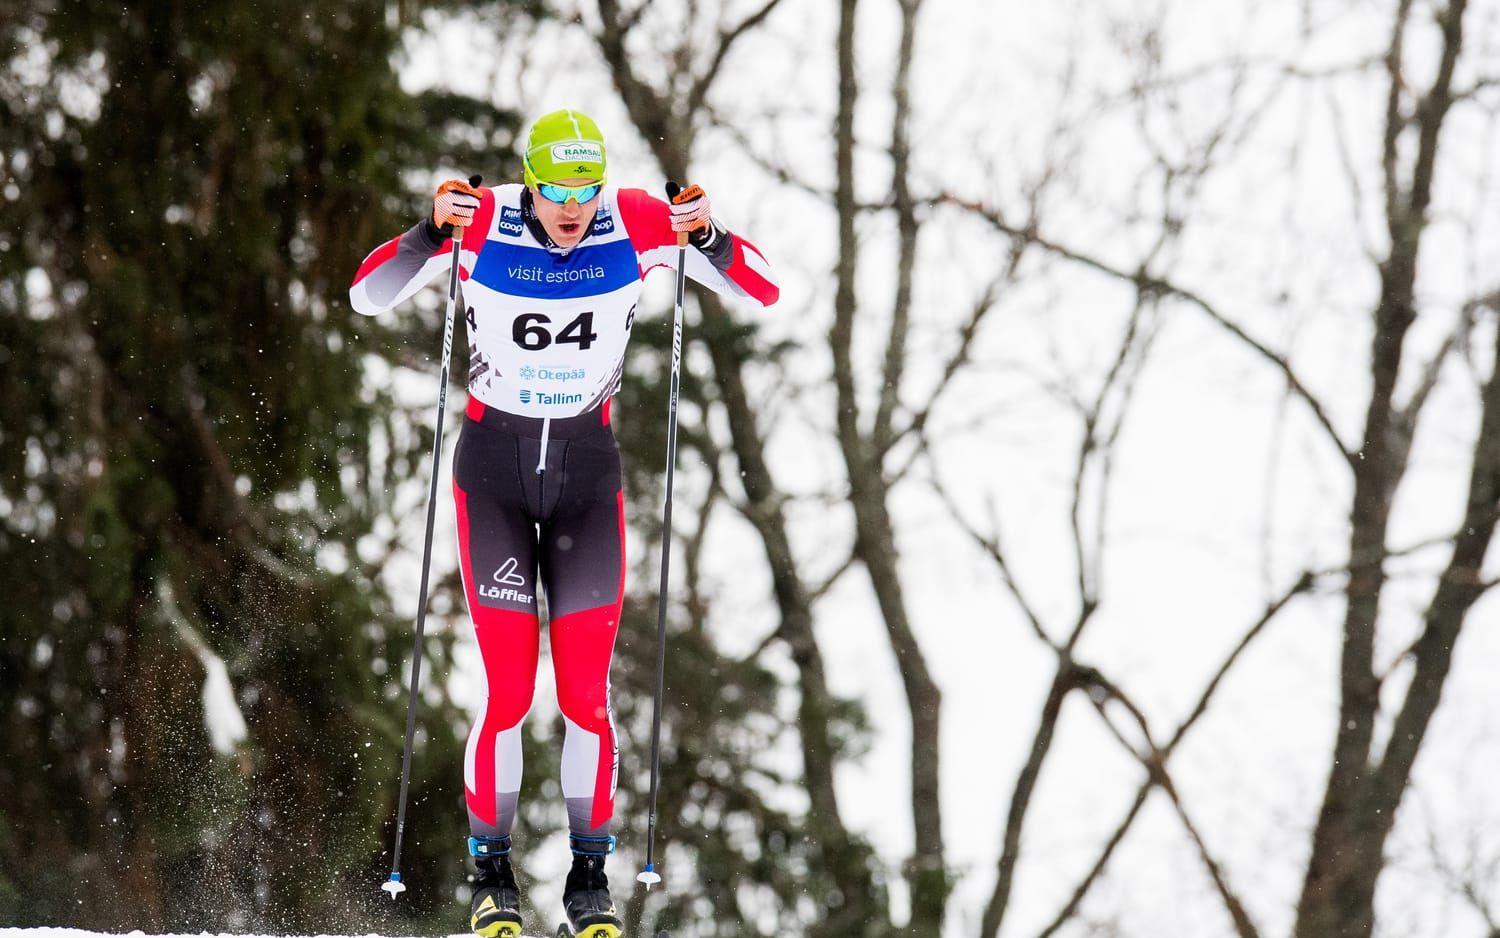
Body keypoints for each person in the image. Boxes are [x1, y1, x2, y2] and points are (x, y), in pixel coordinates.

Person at [349, 108, 779, 938]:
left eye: (587, 189)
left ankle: (589, 880)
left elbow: (761, 286)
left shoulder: (637, 220)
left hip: (587, 480)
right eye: (557, 191)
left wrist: (711, 233)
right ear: (530, 181)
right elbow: (366, 297)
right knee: (509, 690)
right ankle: (492, 877)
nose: (574, 208)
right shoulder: (483, 221)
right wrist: (424, 230)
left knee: (585, 694)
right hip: (494, 483)